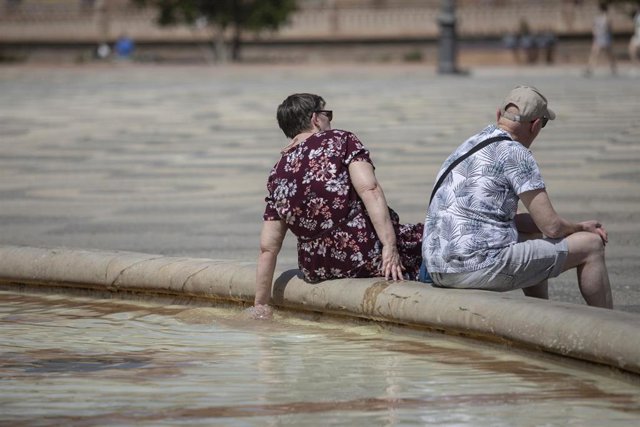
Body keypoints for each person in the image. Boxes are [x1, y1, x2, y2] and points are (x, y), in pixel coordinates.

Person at [422, 85, 613, 309]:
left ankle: (541, 312)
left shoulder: (469, 144)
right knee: (591, 245)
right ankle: (609, 324)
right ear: (535, 125)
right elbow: (551, 227)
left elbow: (532, 223)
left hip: (437, 266)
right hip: (475, 267)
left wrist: (575, 227)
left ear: (498, 115)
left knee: (530, 231)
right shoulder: (515, 153)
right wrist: (581, 229)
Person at [253, 93, 423, 317]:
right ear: (315, 119)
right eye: (327, 115)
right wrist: (389, 247)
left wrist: (260, 305)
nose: (329, 121)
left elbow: (268, 248)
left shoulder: (279, 170)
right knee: (428, 239)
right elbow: (369, 189)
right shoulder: (341, 140)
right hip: (363, 254)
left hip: (317, 267)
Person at [585, 2, 617, 76]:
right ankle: (590, 68)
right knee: (594, 53)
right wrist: (595, 32)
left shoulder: (607, 18)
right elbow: (593, 27)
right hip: (599, 38)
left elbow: (609, 28)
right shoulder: (597, 18)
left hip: (605, 38)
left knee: (609, 54)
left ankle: (613, 67)